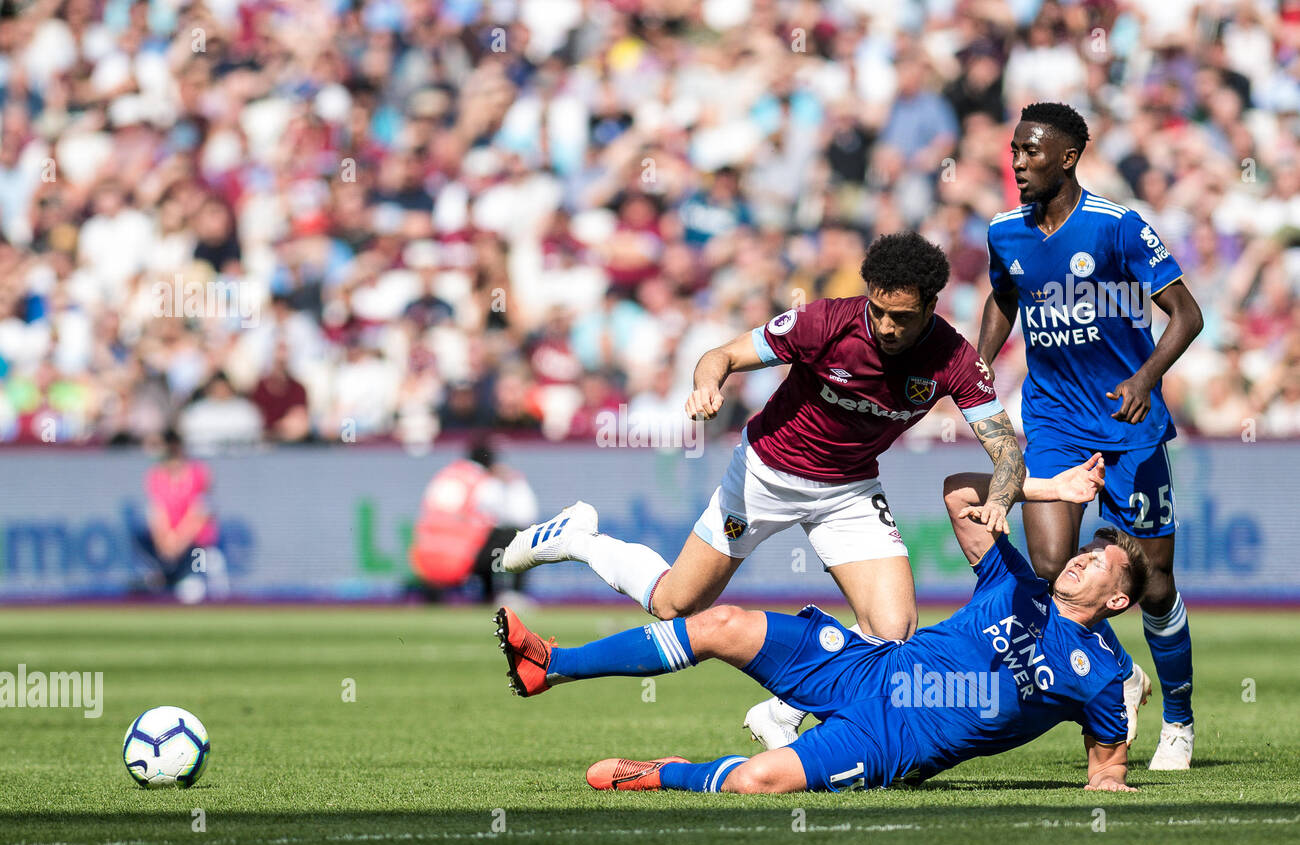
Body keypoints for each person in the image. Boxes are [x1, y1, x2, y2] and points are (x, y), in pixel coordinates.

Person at [502, 232, 1024, 743]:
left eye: (902, 317)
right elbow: (721, 355)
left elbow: (1005, 451)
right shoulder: (825, 320)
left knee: (893, 631)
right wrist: (706, 384)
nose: (886, 327)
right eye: (878, 311)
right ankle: (579, 539)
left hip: (849, 489)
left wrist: (1000, 500)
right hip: (765, 474)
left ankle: (781, 713)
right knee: (673, 607)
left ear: (932, 305)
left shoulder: (954, 359)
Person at [496, 455, 1147, 794]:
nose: (1083, 558)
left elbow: (1107, 768)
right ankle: (554, 664)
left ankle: (663, 772)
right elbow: (959, 491)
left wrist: (1109, 782)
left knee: (757, 781)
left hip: (893, 739)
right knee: (719, 621)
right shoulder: (1017, 583)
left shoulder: (1104, 673)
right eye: (1086, 550)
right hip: (867, 665)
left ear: (1117, 602)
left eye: (1099, 565)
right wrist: (1047, 490)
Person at [977, 102, 1205, 769]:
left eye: (1031, 151)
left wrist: (1144, 380)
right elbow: (1003, 296)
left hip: (1127, 424)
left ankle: (1180, 721)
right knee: (1050, 566)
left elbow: (1187, 315)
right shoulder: (1004, 231)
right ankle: (1122, 674)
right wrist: (980, 363)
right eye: (1014, 150)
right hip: (1050, 419)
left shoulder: (1117, 226)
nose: (1018, 162)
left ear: (1069, 156)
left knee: (1153, 580)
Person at [408, 437, 539, 603]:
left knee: (486, 536)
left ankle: (487, 596)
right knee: (519, 537)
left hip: (425, 560)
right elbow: (522, 516)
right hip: (460, 559)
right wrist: (514, 482)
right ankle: (514, 595)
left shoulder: (445, 475)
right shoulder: (483, 482)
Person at [136, 429, 225, 601]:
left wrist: (179, 540)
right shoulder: (155, 476)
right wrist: (166, 541)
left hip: (195, 544)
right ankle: (164, 574)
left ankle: (199, 575)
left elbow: (199, 512)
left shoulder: (198, 473)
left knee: (194, 590)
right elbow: (157, 513)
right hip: (169, 545)